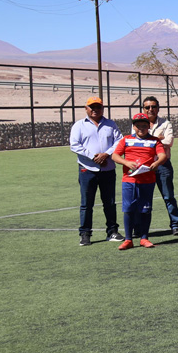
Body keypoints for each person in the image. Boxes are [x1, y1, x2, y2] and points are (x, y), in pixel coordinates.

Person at [69, 96, 124, 246]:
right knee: (86, 204)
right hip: (87, 169)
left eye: (98, 107)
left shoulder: (111, 124)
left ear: (102, 108)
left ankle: (112, 231)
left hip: (108, 169)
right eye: (92, 107)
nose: (95, 110)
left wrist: (106, 154)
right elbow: (74, 145)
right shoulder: (79, 126)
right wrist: (93, 156)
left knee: (110, 202)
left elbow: (119, 141)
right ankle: (85, 234)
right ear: (86, 109)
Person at [109, 112, 167, 249]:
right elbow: (115, 156)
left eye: (144, 126)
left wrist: (157, 163)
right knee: (128, 209)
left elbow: (163, 155)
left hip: (147, 180)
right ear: (134, 127)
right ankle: (128, 240)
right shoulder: (126, 140)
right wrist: (126, 162)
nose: (141, 128)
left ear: (149, 126)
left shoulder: (155, 141)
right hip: (129, 180)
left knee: (145, 209)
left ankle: (144, 238)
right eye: (138, 126)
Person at [142, 96, 178, 235]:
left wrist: (148, 140)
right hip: (145, 166)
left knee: (168, 196)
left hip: (163, 165)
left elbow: (169, 141)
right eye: (147, 107)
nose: (150, 109)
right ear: (143, 109)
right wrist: (157, 139)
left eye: (153, 107)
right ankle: (140, 227)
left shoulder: (166, 123)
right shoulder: (138, 123)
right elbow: (138, 143)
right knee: (144, 198)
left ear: (158, 108)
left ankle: (175, 224)